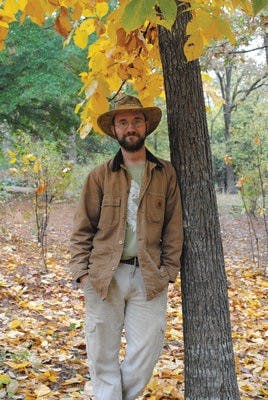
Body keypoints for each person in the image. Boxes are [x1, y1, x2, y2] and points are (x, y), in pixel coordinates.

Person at [70, 95, 183, 400]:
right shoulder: (99, 176)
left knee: (147, 352)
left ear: (146, 125)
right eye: (123, 122)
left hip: (149, 277)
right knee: (101, 354)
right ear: (115, 131)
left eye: (136, 120)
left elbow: (174, 228)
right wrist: (83, 274)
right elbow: (82, 228)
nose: (130, 127)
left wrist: (168, 272)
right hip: (103, 277)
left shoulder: (165, 173)